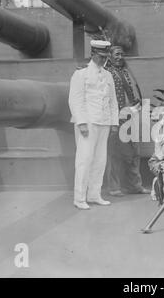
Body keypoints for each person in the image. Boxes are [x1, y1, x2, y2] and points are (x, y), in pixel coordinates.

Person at [68, 40, 118, 209]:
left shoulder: (108, 75)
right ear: (93, 54)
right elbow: (75, 100)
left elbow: (113, 102)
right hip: (88, 122)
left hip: (103, 122)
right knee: (84, 160)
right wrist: (81, 122)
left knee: (100, 160)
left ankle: (94, 194)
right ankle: (79, 198)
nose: (104, 60)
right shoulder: (80, 74)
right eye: (101, 56)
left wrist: (114, 122)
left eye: (106, 57)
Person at [103, 45, 150, 197]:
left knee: (133, 153)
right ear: (109, 56)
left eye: (122, 54)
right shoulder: (106, 73)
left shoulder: (125, 72)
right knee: (114, 153)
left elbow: (131, 93)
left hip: (130, 117)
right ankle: (114, 187)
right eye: (116, 54)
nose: (120, 57)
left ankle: (134, 186)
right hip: (115, 119)